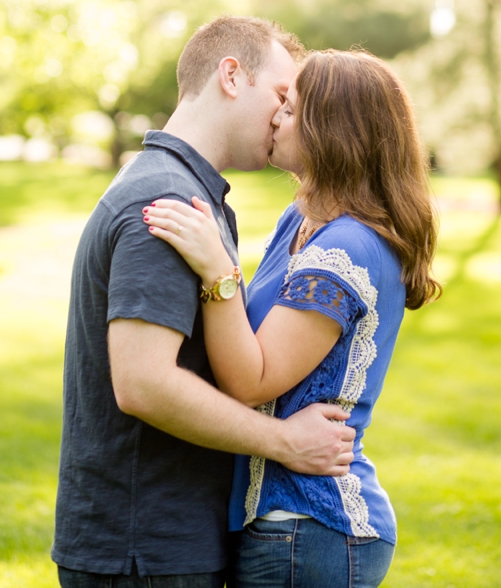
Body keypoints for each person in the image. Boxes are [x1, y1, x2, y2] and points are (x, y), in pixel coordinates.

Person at [54, 15, 359, 588]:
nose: (283, 115)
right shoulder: (166, 203)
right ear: (230, 75)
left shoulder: (185, 191)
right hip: (143, 548)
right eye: (280, 94)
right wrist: (286, 442)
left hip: (160, 541)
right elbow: (143, 382)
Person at [144, 49, 439, 588]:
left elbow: (250, 380)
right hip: (279, 527)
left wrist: (218, 270)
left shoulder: (346, 248)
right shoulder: (300, 220)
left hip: (310, 527)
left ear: (332, 130)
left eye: (292, 107)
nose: (276, 115)